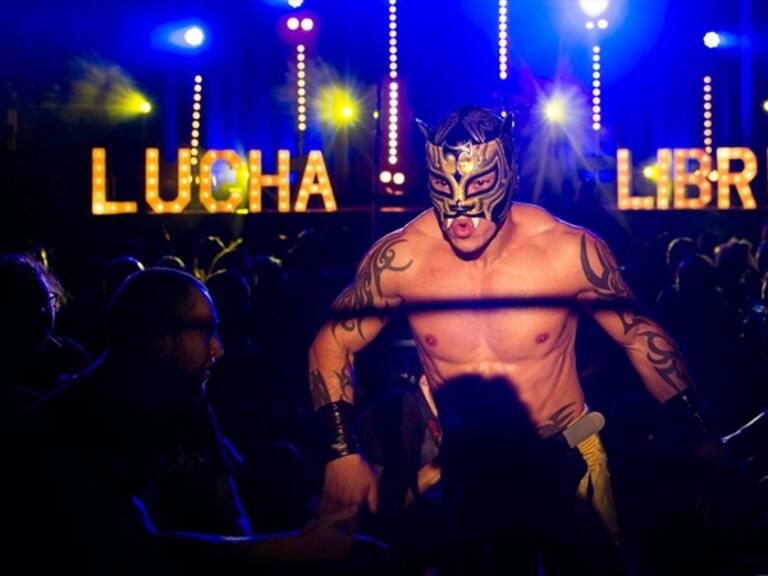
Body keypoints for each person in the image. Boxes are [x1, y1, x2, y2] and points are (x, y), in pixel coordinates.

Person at [308, 106, 720, 568]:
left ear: (508, 174)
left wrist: (700, 432)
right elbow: (332, 341)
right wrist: (340, 452)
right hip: (462, 465)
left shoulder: (568, 251)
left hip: (565, 455)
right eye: (444, 187)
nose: (461, 207)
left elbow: (640, 337)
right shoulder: (403, 257)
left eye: (480, 183)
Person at [7, 268, 386, 574]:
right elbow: (138, 554)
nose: (219, 348)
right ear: (158, 339)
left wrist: (307, 541)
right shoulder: (65, 430)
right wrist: (293, 551)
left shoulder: (186, 401)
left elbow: (232, 517)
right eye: (206, 332)